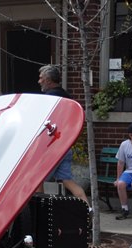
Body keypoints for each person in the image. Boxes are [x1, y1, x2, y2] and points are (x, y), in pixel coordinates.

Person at [37, 64, 89, 204]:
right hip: (66, 146)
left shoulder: (48, 99)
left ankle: (41, 212)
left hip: (53, 147)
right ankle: (88, 211)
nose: (39, 81)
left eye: (41, 78)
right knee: (68, 181)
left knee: (37, 181)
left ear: (48, 80)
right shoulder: (67, 97)